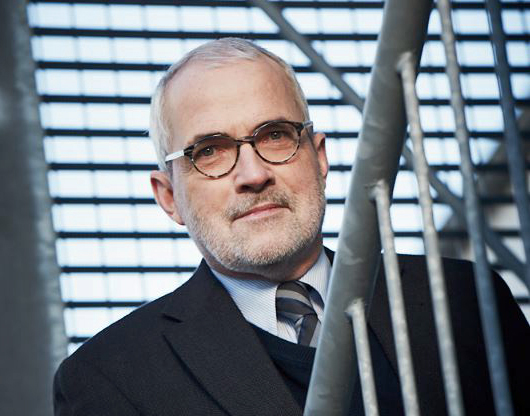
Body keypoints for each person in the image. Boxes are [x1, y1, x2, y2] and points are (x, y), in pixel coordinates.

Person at [54, 38, 529, 415]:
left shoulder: (466, 299)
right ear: (169, 197)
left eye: (275, 135)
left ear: (318, 159)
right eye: (209, 151)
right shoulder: (107, 379)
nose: (253, 174)